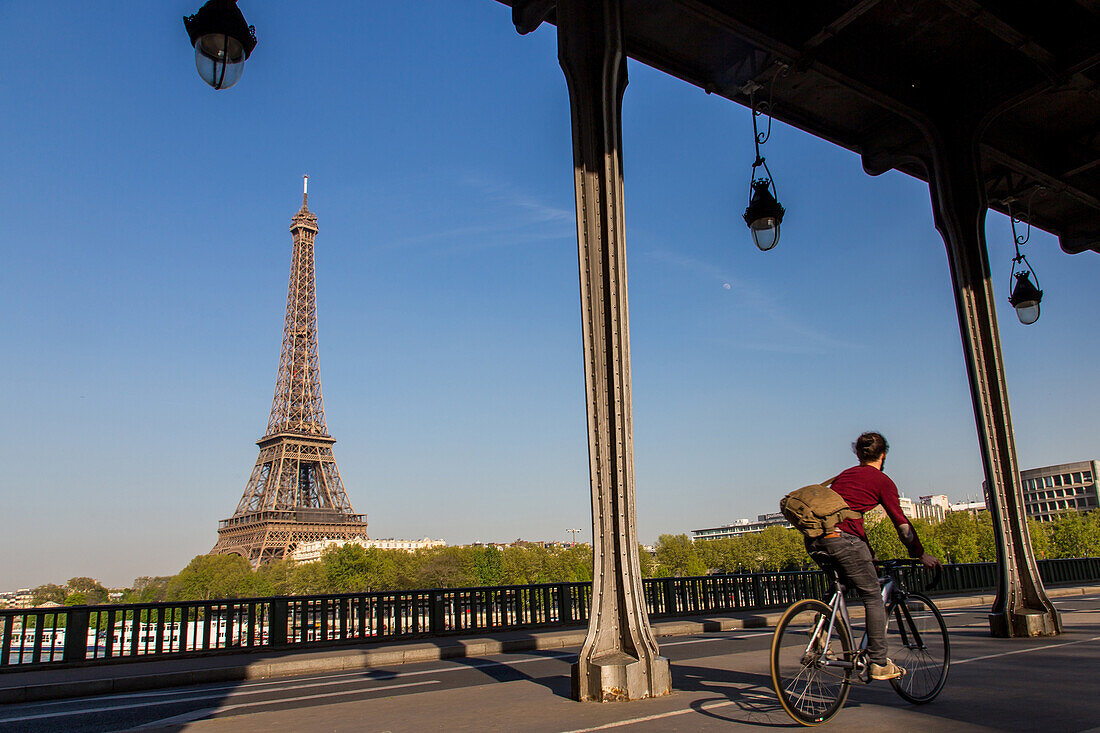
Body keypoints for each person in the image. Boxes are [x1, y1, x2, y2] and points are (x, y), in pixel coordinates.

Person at [808, 431, 942, 680]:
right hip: (844, 541)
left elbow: (849, 519)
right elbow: (901, 524)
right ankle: (879, 662)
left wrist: (868, 554)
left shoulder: (844, 476)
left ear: (858, 454)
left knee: (842, 584)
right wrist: (920, 553)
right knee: (872, 596)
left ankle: (820, 632)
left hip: (817, 539)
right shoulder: (881, 480)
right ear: (883, 455)